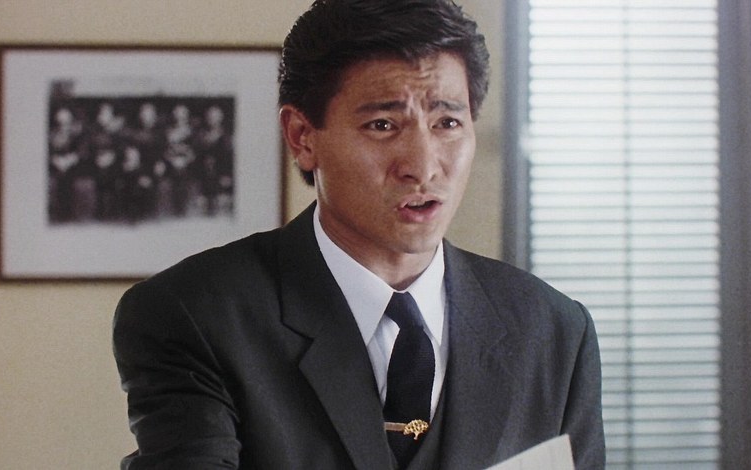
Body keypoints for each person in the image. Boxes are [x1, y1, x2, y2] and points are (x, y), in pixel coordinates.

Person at [112, 0, 605, 469]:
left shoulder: (553, 332)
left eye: (448, 122)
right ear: (302, 138)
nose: (423, 166)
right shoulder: (194, 316)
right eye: (383, 124)